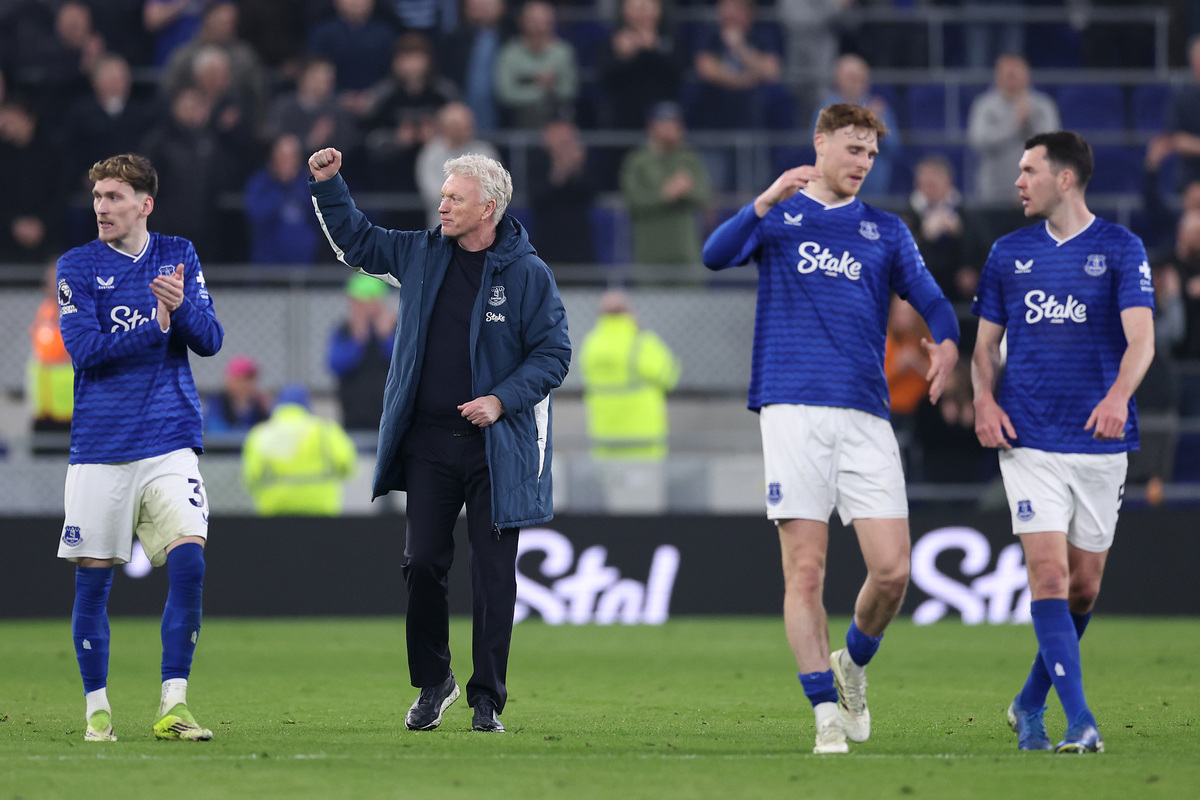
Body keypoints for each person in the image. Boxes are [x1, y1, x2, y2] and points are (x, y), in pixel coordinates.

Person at [701, 103, 960, 755]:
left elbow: (929, 299)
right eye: (852, 148)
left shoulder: (886, 230)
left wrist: (949, 342)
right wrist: (762, 200)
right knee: (806, 573)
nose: (862, 163)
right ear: (820, 144)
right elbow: (714, 256)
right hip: (792, 406)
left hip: (867, 413)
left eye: (871, 154)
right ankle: (824, 714)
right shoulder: (782, 216)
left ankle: (852, 665)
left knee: (894, 571)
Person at [308, 146, 570, 733]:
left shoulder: (528, 274)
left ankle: (487, 701)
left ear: (489, 208)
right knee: (422, 562)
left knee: (493, 574)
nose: (442, 205)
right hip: (428, 442)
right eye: (443, 195)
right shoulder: (421, 252)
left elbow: (554, 355)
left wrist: (500, 400)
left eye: (454, 197)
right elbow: (357, 241)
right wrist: (329, 184)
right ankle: (435, 682)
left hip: (496, 447)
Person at [971, 131, 1156, 754]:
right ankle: (1078, 722)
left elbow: (1143, 342)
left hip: (1101, 440)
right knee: (1047, 575)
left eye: (1029, 170)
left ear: (1066, 178)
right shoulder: (1007, 253)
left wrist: (1117, 397)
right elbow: (982, 349)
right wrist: (984, 399)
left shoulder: (1120, 248)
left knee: (1084, 587)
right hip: (1028, 438)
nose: (1018, 181)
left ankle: (1027, 701)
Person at [56, 152, 225, 742]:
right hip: (100, 445)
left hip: (169, 436)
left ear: (144, 204)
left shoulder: (178, 254)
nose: (102, 207)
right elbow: (86, 351)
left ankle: (173, 704)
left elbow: (210, 339)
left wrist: (176, 312)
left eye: (113, 198)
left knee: (190, 562)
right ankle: (97, 710)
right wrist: (152, 323)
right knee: (94, 581)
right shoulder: (76, 266)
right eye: (98, 197)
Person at [578, 289, 679, 512]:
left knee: (613, 505)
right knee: (645, 506)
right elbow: (670, 376)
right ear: (629, 312)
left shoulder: (590, 344)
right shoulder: (642, 343)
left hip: (604, 439)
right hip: (643, 440)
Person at [619, 101, 711, 282]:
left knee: (691, 304)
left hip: (685, 255)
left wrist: (686, 191)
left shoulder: (688, 158)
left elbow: (703, 196)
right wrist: (665, 195)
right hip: (650, 256)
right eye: (665, 123)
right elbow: (633, 200)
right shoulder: (637, 161)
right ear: (652, 127)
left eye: (675, 123)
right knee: (650, 307)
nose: (672, 129)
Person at [241, 383, 358, 516]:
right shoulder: (326, 431)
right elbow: (347, 465)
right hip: (321, 510)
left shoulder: (260, 434)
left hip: (274, 512)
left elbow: (250, 476)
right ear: (306, 404)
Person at [967, 55, 1060, 205]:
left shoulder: (1042, 105)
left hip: (1035, 192)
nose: (1012, 78)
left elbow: (1052, 144)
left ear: (1027, 75)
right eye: (1007, 74)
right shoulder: (984, 106)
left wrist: (1030, 123)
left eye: (1016, 73)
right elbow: (978, 140)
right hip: (994, 194)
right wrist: (1014, 125)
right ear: (997, 76)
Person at [812, 55, 900, 199]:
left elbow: (894, 146)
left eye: (861, 77)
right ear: (838, 80)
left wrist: (877, 124)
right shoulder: (826, 110)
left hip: (874, 190)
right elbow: (820, 144)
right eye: (850, 77)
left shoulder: (879, 110)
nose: (856, 82)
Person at [492, 0, 578, 130]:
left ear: (552, 23)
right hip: (518, 122)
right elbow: (506, 93)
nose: (539, 27)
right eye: (533, 21)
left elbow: (569, 90)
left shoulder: (563, 52)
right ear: (521, 22)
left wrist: (547, 86)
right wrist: (540, 88)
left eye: (544, 21)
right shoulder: (510, 52)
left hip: (556, 123)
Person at [327, 273, 397, 432]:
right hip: (354, 418)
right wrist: (358, 341)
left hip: (390, 417)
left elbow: (405, 365)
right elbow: (335, 365)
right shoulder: (344, 330)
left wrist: (386, 338)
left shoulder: (396, 327)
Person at [415, 101, 499, 229]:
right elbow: (432, 193)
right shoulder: (432, 153)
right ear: (445, 128)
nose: (465, 129)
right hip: (443, 227)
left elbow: (493, 189)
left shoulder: (485, 152)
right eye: (457, 126)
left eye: (467, 125)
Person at [242, 133, 321, 265]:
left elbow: (320, 217)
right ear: (274, 157)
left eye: (292, 156)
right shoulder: (260, 183)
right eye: (283, 156)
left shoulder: (308, 184)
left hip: (304, 265)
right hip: (267, 263)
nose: (288, 162)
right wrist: (282, 187)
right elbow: (256, 215)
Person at [27, 261, 74, 451]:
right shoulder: (44, 310)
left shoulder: (80, 312)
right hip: (44, 408)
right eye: (49, 281)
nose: (51, 286)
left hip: (71, 411)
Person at [204, 354, 271, 434]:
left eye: (250, 379)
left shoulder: (259, 406)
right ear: (229, 380)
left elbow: (268, 430)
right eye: (241, 379)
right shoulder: (217, 402)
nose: (245, 384)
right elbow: (216, 431)